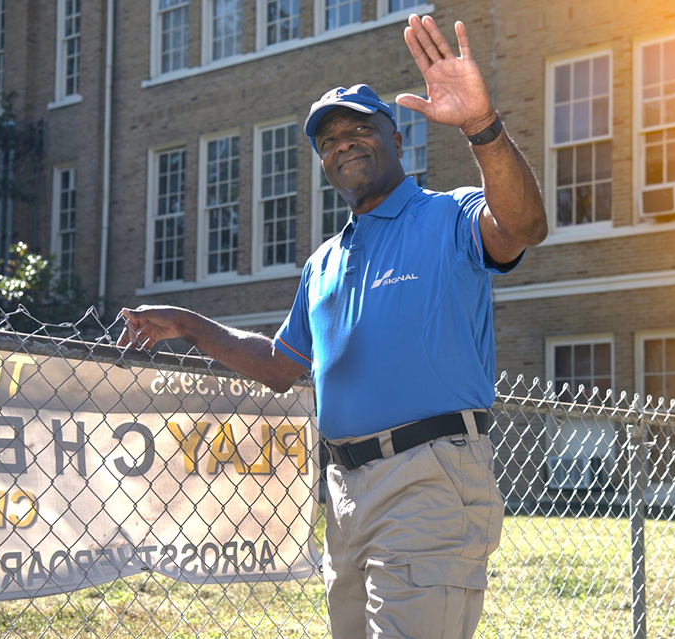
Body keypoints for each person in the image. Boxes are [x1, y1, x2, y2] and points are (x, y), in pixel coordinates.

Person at [117, 13, 546, 638]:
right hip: (343, 493)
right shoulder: (324, 262)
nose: (342, 142)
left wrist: (482, 127)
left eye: (358, 128)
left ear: (397, 139)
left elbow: (523, 228)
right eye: (327, 140)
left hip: (429, 477)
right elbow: (281, 366)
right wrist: (190, 324)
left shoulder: (448, 217)